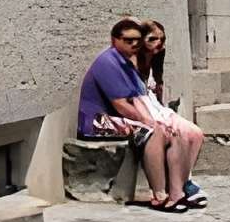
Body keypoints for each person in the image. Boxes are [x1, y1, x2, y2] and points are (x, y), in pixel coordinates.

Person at [77, 18, 205, 211]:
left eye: (137, 39)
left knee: (172, 132)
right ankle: (159, 194)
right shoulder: (109, 61)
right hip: (97, 120)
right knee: (156, 133)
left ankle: (177, 192)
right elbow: (121, 105)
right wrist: (150, 123)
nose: (135, 44)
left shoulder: (125, 62)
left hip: (117, 116)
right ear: (115, 40)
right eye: (128, 40)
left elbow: (136, 100)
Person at [138, 20, 206, 209]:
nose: (158, 43)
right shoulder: (133, 62)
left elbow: (157, 94)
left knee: (196, 134)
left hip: (157, 107)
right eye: (152, 39)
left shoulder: (156, 63)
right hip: (145, 110)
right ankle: (178, 189)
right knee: (178, 133)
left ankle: (184, 182)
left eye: (162, 39)